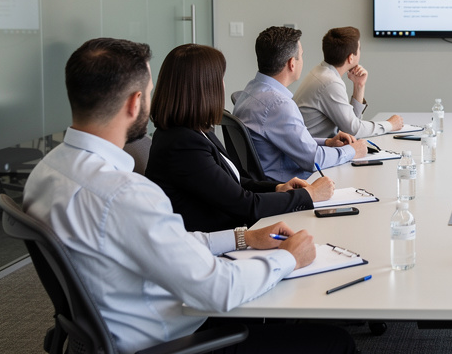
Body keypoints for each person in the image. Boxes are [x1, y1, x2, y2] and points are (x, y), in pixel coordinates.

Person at [23, 38, 354, 354]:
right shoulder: (125, 194)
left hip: (116, 325)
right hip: (171, 339)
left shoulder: (46, 171)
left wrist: (243, 238)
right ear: (134, 102)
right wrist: (289, 258)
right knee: (335, 341)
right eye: (150, 92)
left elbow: (170, 242)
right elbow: (219, 290)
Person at [146, 44, 335, 232]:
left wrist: (278, 188)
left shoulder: (195, 131)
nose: (223, 85)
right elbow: (246, 205)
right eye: (220, 79)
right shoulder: (183, 144)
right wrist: (308, 195)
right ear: (204, 88)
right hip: (218, 243)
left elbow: (236, 182)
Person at [234, 26, 368, 183]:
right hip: (291, 186)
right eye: (301, 56)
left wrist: (327, 142)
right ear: (292, 63)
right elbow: (314, 160)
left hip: (265, 184)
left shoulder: (250, 90)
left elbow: (293, 140)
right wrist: (351, 150)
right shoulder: (279, 105)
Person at [294, 26, 403, 139]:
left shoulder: (321, 71)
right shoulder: (330, 83)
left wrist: (359, 85)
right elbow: (354, 130)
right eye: (359, 48)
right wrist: (390, 125)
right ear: (351, 58)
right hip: (315, 151)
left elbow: (351, 123)